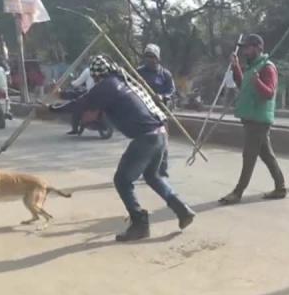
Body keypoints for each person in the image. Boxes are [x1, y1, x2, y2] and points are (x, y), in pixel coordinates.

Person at [50, 55, 196, 242]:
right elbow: (86, 97)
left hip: (146, 138)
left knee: (122, 180)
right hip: (160, 134)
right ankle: (183, 210)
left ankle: (139, 224)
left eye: (95, 77)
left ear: (97, 75)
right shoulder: (122, 81)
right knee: (153, 176)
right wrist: (61, 96)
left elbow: (82, 102)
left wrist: (52, 109)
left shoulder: (108, 85)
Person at [218, 34, 286, 205]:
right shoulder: (253, 67)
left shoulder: (267, 68)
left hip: (259, 120)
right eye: (244, 48)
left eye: (248, 48)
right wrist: (235, 67)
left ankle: (238, 192)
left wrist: (258, 82)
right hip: (251, 117)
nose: (244, 51)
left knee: (248, 156)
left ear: (258, 48)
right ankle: (280, 187)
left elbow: (269, 93)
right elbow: (243, 85)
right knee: (267, 156)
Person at [137, 44, 175, 177]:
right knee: (145, 141)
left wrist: (162, 97)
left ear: (158, 58)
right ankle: (145, 169)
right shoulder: (139, 73)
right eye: (147, 56)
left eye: (152, 57)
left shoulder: (165, 74)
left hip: (161, 111)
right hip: (144, 111)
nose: (150, 59)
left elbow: (171, 91)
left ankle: (162, 168)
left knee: (163, 140)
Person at [66, 66, 97, 135]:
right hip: (106, 94)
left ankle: (75, 129)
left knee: (76, 108)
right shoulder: (108, 69)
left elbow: (78, 82)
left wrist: (72, 83)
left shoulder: (88, 70)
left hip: (92, 95)